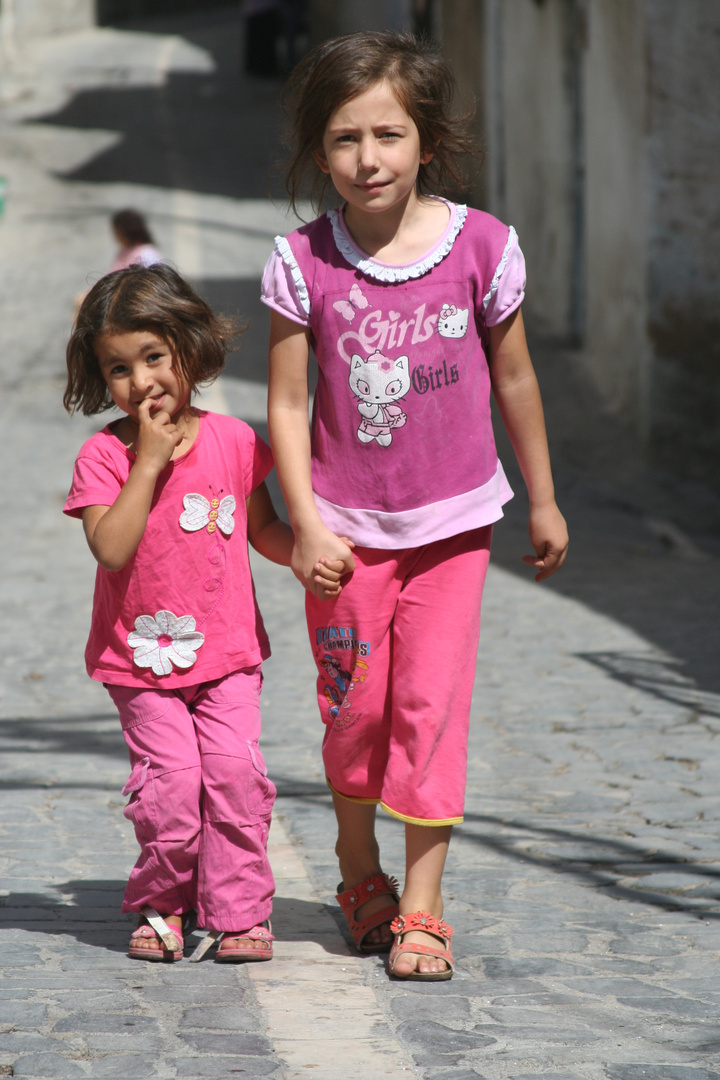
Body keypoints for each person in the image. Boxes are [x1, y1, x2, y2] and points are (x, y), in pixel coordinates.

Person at [262, 30, 568, 981]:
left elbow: (514, 378)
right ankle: (360, 873)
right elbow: (284, 400)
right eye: (346, 139)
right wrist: (305, 522)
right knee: (354, 712)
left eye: (388, 135)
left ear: (425, 141)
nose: (369, 159)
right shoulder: (304, 261)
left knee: (430, 710)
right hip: (343, 537)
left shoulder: (483, 247)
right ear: (322, 154)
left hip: (452, 529)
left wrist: (544, 500)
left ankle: (424, 905)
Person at [63, 263, 348, 963]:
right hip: (141, 660)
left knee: (233, 777)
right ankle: (163, 900)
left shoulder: (234, 442)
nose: (142, 382)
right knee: (171, 788)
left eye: (154, 357)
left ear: (188, 348)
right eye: (119, 369)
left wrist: (307, 553)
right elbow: (111, 547)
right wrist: (148, 465)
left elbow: (264, 529)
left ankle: (240, 911)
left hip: (227, 655)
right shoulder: (105, 457)